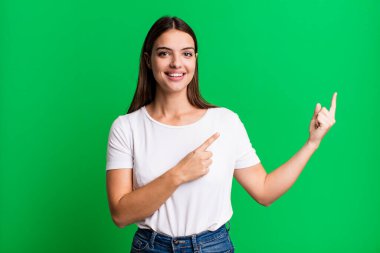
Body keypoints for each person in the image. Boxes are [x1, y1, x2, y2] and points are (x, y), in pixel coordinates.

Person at [105, 15, 337, 253]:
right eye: (164, 53)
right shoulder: (127, 127)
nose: (176, 63)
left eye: (186, 54)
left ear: (195, 60)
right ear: (148, 60)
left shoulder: (225, 122)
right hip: (151, 247)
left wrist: (312, 143)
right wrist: (179, 174)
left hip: (212, 247)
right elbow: (120, 215)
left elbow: (264, 191)